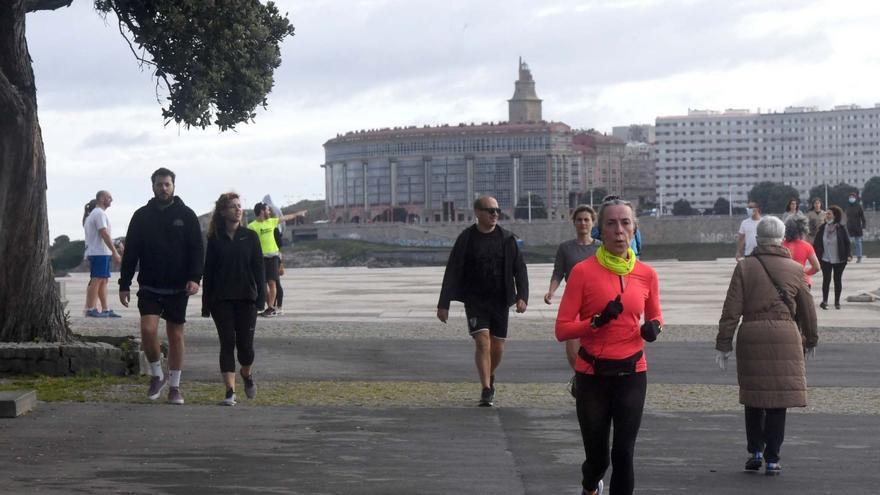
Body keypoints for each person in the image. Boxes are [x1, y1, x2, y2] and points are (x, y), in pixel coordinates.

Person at [555, 197, 663, 495]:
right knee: (598, 458)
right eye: (611, 224)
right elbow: (562, 330)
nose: (619, 231)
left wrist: (654, 328)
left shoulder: (646, 274)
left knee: (624, 454)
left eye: (625, 223)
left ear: (635, 229)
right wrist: (595, 322)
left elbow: (655, 315)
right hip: (592, 375)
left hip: (632, 372)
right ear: (601, 230)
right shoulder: (582, 272)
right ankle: (590, 485)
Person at [716, 216, 818, 476]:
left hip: (751, 335)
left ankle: (755, 451)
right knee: (778, 401)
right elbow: (808, 311)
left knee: (753, 396)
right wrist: (811, 339)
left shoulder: (745, 268)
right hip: (786, 337)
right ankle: (773, 458)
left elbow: (731, 309)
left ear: (758, 239)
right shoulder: (796, 269)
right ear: (781, 239)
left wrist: (724, 343)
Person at [119, 168, 204, 405]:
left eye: (167, 184)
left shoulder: (186, 215)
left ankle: (175, 386)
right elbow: (131, 253)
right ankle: (157, 375)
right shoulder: (141, 216)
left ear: (173, 186)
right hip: (150, 284)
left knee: (175, 335)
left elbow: (197, 249)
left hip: (178, 286)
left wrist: (195, 278)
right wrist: (123, 284)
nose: (163, 188)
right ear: (153, 187)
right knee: (147, 330)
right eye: (159, 184)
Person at [437, 196, 528, 407]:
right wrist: (444, 304)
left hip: (500, 300)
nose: (495, 214)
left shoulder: (507, 239)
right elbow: (452, 270)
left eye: (497, 210)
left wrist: (522, 296)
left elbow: (520, 269)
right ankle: (486, 388)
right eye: (490, 210)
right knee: (482, 341)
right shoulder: (466, 239)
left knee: (498, 347)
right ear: (477, 212)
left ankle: (490, 374)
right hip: (475, 300)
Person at [202, 193, 265, 406]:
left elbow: (259, 269)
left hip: (247, 299)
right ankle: (230, 392)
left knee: (245, 348)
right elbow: (208, 272)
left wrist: (261, 300)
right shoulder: (215, 239)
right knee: (227, 343)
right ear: (222, 211)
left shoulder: (250, 236)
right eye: (232, 206)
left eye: (239, 206)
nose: (238, 209)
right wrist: (206, 304)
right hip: (221, 300)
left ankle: (246, 375)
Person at [544, 205, 600, 395]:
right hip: (574, 301)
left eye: (586, 219)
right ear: (574, 223)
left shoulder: (600, 247)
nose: (583, 223)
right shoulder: (566, 248)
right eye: (579, 220)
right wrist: (551, 291)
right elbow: (558, 272)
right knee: (572, 343)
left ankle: (594, 378)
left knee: (594, 341)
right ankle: (579, 376)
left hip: (596, 301)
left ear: (593, 222)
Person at [247, 200, 298, 317]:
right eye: (267, 210)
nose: (269, 211)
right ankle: (269, 306)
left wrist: (297, 214)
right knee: (262, 285)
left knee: (272, 283)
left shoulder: (271, 222)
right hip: (260, 258)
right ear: (261, 211)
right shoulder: (252, 226)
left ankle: (270, 308)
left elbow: (285, 218)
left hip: (273, 257)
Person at [82, 191, 122, 318]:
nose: (112, 199)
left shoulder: (96, 214)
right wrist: (115, 252)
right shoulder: (99, 213)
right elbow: (104, 234)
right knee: (97, 279)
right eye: (109, 197)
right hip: (98, 252)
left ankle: (105, 309)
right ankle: (90, 308)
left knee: (103, 280)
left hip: (101, 252)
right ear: (102, 198)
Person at [813, 205, 852, 310]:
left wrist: (848, 255)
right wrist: (816, 255)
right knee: (826, 279)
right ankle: (825, 301)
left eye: (829, 213)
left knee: (837, 280)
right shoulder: (822, 228)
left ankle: (837, 302)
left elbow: (847, 243)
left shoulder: (841, 228)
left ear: (835, 215)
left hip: (839, 259)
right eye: (826, 213)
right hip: (825, 258)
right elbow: (816, 243)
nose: (827, 215)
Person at [782, 218, 820, 289]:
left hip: (785, 282)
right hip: (803, 282)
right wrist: (805, 272)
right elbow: (816, 267)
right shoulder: (807, 246)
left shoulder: (780, 245)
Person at [845, 192, 866, 263]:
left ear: (855, 198)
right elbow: (845, 217)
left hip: (857, 227)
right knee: (848, 243)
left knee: (858, 243)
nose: (851, 198)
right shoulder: (847, 206)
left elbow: (862, 217)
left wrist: (864, 225)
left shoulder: (859, 206)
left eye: (852, 197)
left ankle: (859, 257)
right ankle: (849, 256)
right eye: (850, 197)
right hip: (849, 227)